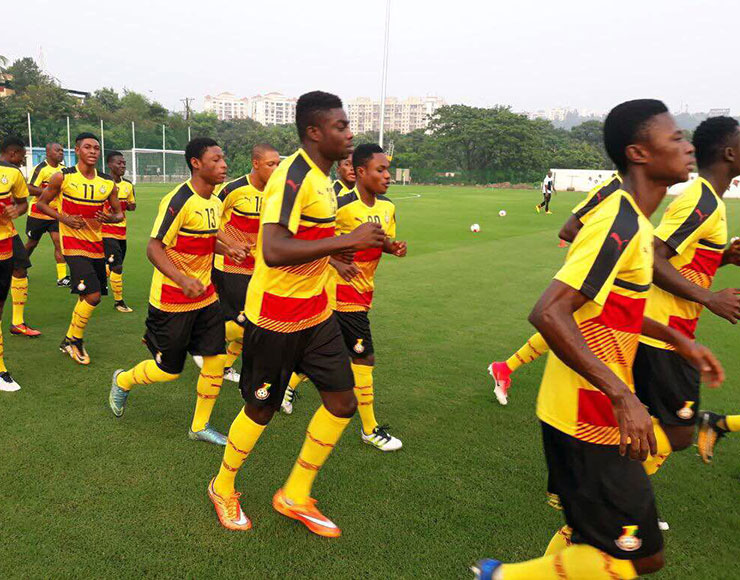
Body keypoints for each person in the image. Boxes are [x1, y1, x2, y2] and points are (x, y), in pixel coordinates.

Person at [474, 100, 723, 580]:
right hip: (586, 413)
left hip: (594, 410)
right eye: (674, 138)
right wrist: (622, 395)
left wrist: (678, 339)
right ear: (639, 153)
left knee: (615, 547)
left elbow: (615, 309)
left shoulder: (638, 222)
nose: (688, 146)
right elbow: (548, 312)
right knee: (637, 557)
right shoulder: (619, 221)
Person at [207, 91, 385, 536]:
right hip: (275, 317)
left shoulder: (324, 179)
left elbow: (311, 238)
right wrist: (347, 242)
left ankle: (295, 494)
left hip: (317, 313)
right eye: (341, 126)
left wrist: (337, 255)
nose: (349, 133)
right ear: (314, 132)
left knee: (342, 402)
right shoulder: (293, 175)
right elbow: (273, 248)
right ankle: (222, 486)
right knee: (260, 408)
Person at [108, 138, 246, 445]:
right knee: (168, 370)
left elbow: (204, 238)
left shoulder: (215, 201)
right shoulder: (179, 199)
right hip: (171, 301)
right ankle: (123, 380)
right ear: (196, 163)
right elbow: (154, 248)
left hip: (205, 296)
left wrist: (228, 248)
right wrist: (182, 280)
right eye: (216, 159)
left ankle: (199, 425)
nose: (224, 165)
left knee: (215, 359)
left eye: (223, 158)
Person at [631, 116, 740, 471]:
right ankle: (597, 485)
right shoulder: (702, 201)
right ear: (729, 153)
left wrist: (723, 258)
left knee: (652, 423)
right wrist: (709, 298)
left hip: (667, 332)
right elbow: (651, 257)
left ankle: (606, 490)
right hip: (663, 335)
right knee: (677, 435)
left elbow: (682, 260)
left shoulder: (711, 201)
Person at [488, 173, 622, 405]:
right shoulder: (613, 188)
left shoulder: (634, 194)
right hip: (592, 271)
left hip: (609, 271)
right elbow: (568, 230)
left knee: (578, 326)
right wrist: (606, 256)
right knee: (573, 326)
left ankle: (505, 368)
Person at [329, 143, 406, 451]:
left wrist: (392, 247)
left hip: (363, 291)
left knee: (326, 353)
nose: (388, 176)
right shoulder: (341, 206)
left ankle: (283, 388)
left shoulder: (387, 207)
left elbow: (381, 240)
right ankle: (370, 429)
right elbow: (314, 241)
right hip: (339, 292)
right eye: (380, 170)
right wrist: (336, 262)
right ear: (361, 172)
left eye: (388, 170)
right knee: (364, 357)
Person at [196, 143, 281, 383]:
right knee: (246, 321)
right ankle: (202, 340)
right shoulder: (233, 189)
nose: (276, 169)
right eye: (271, 164)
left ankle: (223, 365)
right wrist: (230, 244)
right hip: (229, 265)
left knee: (252, 320)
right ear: (256, 164)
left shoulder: (277, 193)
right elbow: (210, 219)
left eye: (278, 164)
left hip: (259, 267)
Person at [36, 133, 124, 364]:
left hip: (96, 245)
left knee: (86, 295)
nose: (93, 151)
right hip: (73, 245)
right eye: (87, 147)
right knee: (94, 296)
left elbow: (119, 214)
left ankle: (68, 339)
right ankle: (75, 340)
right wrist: (63, 218)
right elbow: (41, 204)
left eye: (96, 148)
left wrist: (110, 218)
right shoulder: (62, 177)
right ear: (77, 150)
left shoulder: (107, 182)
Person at [0, 136, 31, 391]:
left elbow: (23, 204)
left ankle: (16, 321)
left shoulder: (12, 174)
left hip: (4, 243)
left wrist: (15, 211)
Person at [25, 142, 69, 288]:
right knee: (32, 243)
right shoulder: (40, 169)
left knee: (59, 243)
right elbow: (29, 188)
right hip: (38, 213)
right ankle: (19, 267)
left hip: (55, 213)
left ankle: (62, 277)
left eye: (62, 150)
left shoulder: (64, 170)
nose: (61, 153)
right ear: (48, 152)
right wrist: (49, 191)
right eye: (57, 150)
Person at [102, 151, 136, 313]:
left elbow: (132, 205)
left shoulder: (128, 185)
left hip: (122, 231)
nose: (122, 166)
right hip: (105, 232)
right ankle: (119, 302)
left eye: (124, 163)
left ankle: (100, 274)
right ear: (110, 164)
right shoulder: (102, 182)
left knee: (113, 264)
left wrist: (129, 205)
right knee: (118, 267)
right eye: (119, 163)